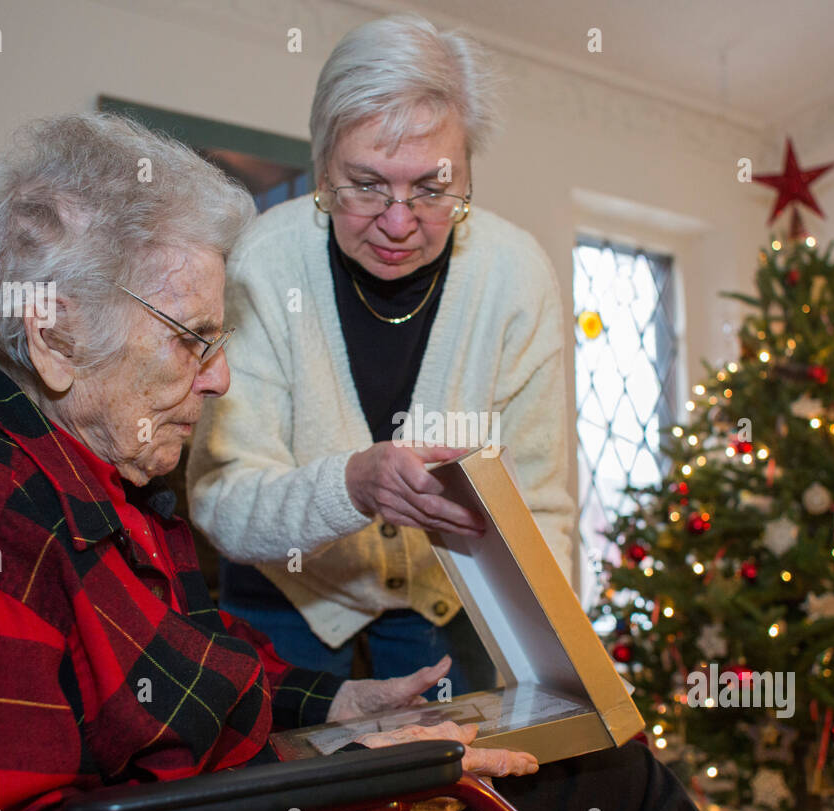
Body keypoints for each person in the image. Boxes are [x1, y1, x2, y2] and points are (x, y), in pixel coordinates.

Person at [0, 112, 538, 811]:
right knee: (596, 791)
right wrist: (356, 786)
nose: (220, 375)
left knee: (593, 778)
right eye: (190, 338)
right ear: (54, 338)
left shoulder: (98, 462)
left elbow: (190, 662)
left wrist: (335, 704)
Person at [186, 13, 574, 695]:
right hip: (283, 596)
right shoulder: (261, 264)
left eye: (431, 189)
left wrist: (562, 674)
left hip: (449, 600)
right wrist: (349, 486)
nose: (399, 224)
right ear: (320, 167)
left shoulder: (517, 276)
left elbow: (541, 509)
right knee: (291, 796)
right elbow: (222, 500)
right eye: (365, 185)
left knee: (450, 797)